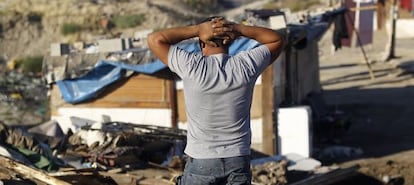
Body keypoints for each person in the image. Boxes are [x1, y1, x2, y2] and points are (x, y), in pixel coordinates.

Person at [147, 16, 284, 185]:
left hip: (202, 161)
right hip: (237, 161)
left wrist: (198, 30)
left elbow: (155, 39)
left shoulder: (191, 66)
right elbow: (277, 39)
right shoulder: (245, 65)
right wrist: (237, 29)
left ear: (201, 43)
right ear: (229, 40)